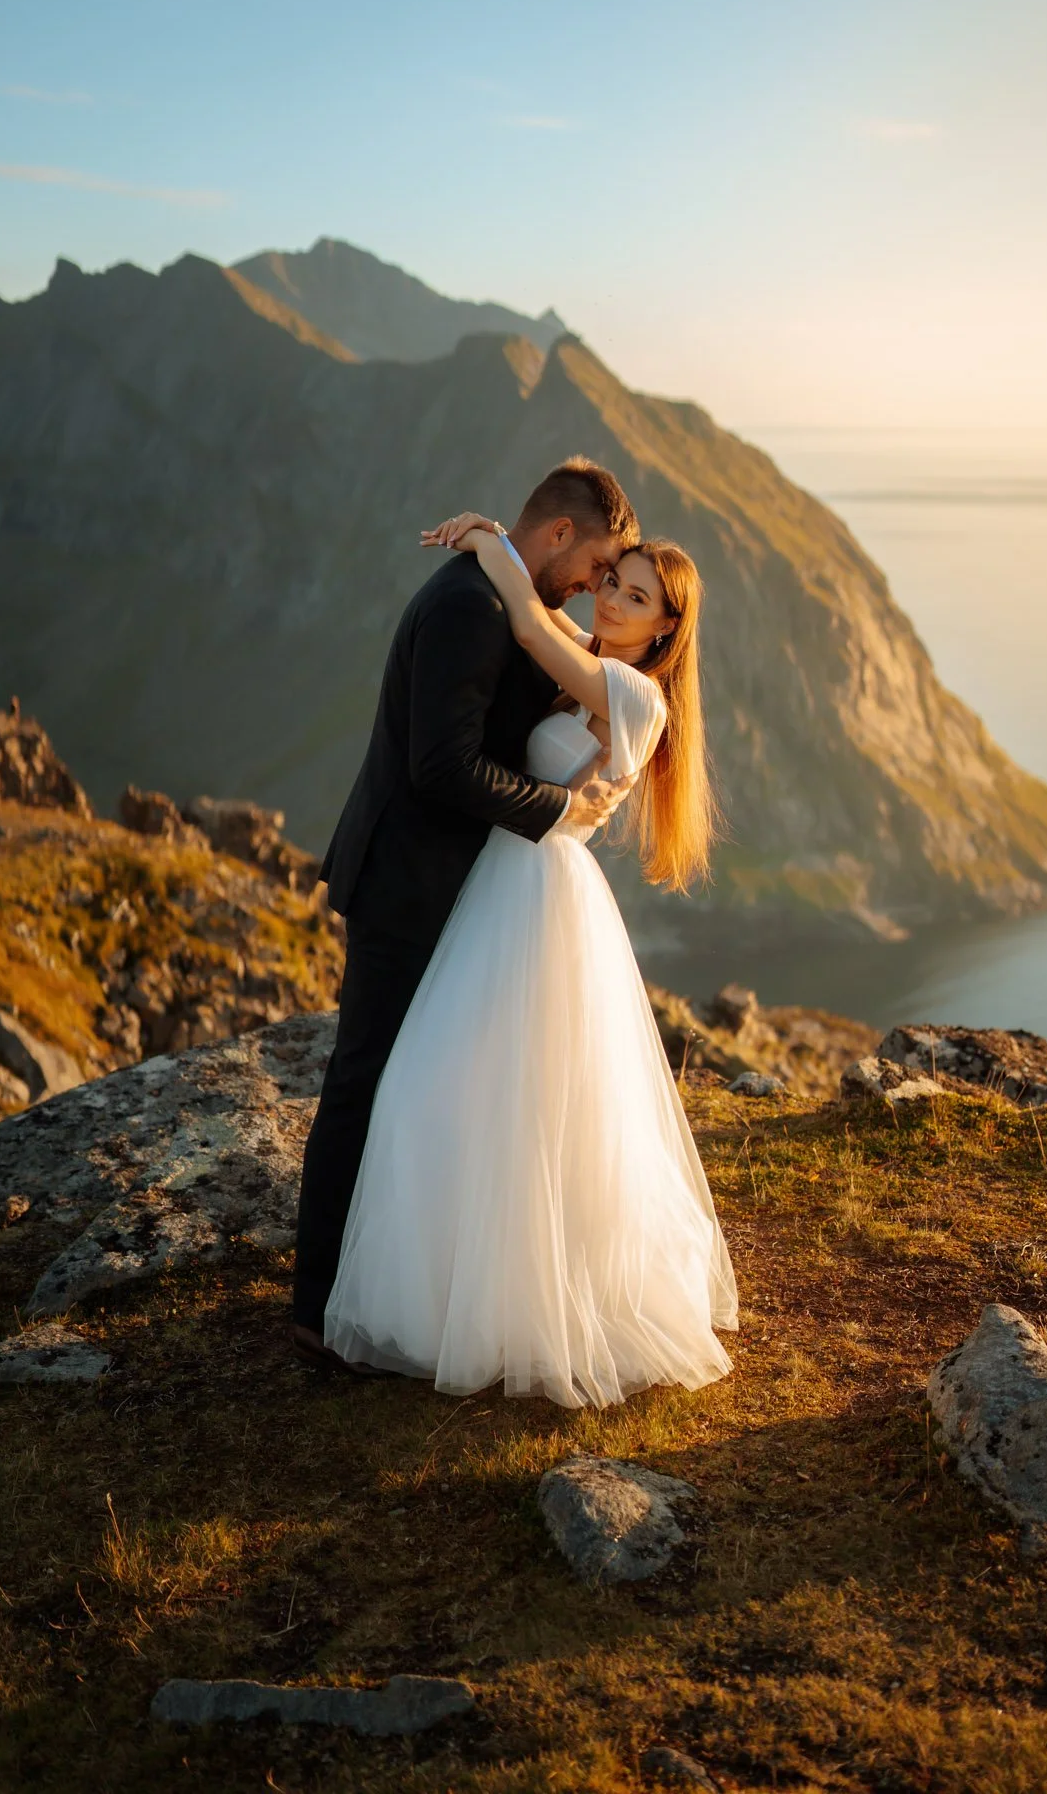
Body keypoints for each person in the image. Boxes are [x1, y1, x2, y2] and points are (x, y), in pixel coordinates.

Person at [322, 507, 738, 1407]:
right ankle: (454, 1280)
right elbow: (542, 619)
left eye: (634, 598)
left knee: (530, 1101)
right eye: (613, 583)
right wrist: (507, 547)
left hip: (540, 893)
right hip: (502, 881)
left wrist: (487, 544)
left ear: (667, 626)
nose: (611, 602)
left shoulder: (632, 695)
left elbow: (523, 618)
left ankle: (525, 1299)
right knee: (467, 1090)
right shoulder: (595, 664)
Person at [291, 458, 641, 1367]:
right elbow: (438, 767)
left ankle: (403, 1277)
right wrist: (560, 811)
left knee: (430, 1085)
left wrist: (488, 538)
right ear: (560, 535)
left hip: (468, 890)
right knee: (365, 1080)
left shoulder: (509, 598)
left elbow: (541, 642)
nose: (594, 589)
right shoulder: (465, 607)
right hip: (407, 881)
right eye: (597, 566)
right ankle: (320, 1300)